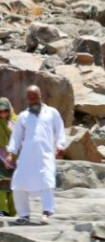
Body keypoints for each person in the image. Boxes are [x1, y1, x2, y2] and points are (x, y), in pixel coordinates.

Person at [7, 86, 66, 225]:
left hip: (45, 155)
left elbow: (60, 131)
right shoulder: (23, 116)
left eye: (35, 97)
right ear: (27, 99)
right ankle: (24, 215)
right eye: (30, 98)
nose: (33, 101)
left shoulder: (52, 113)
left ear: (41, 96)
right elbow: (16, 137)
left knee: (47, 182)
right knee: (18, 184)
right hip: (26, 157)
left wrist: (60, 146)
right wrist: (11, 153)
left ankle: (46, 213)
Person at [0, 98, 16, 217]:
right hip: (1, 158)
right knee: (1, 184)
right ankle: (1, 209)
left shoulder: (15, 121)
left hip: (14, 158)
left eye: (5, 111)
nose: (3, 114)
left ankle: (12, 211)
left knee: (13, 186)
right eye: (0, 111)